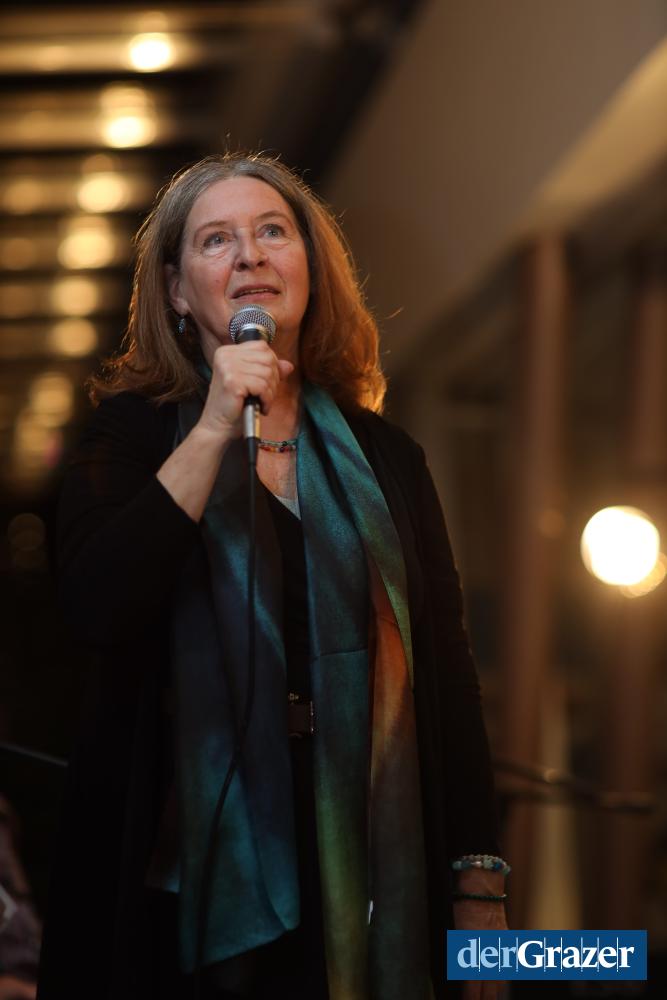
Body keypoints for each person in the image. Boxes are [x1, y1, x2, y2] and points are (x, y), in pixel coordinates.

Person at [37, 153, 507, 1000]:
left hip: (364, 847)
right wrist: (216, 423)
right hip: (181, 864)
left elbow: (447, 671)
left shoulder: (387, 458)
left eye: (271, 232)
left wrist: (479, 882)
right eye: (216, 240)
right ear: (177, 292)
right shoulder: (128, 438)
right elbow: (97, 607)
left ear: (309, 269)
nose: (249, 255)